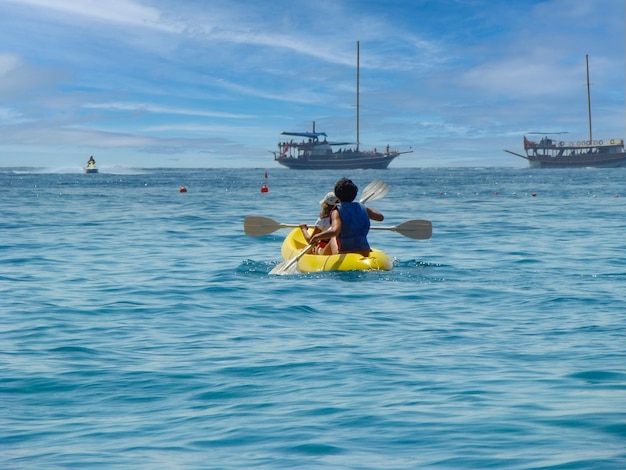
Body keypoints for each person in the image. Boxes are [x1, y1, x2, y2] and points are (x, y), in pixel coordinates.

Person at [309, 178, 384, 256]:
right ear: (354, 194)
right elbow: (380, 217)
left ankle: (321, 253)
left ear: (336, 194)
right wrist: (363, 207)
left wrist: (316, 237)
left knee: (333, 237)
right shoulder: (363, 208)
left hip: (346, 252)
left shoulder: (336, 211)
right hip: (365, 250)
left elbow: (335, 231)